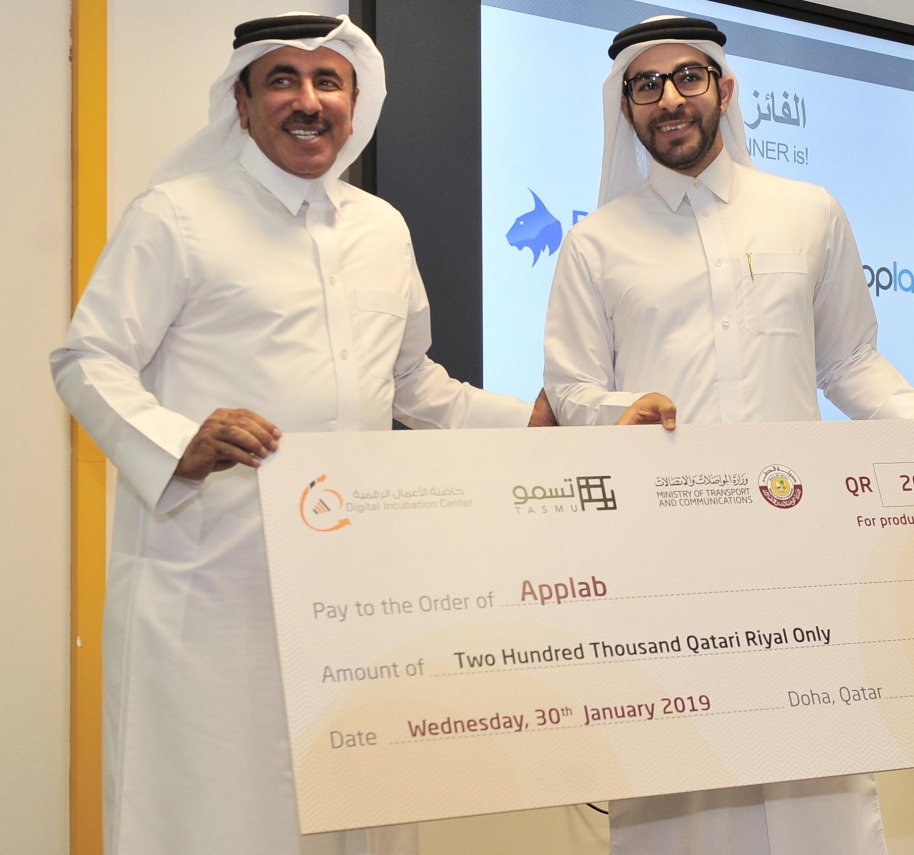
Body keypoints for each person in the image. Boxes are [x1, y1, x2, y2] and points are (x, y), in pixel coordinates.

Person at [52, 13, 552, 855]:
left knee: (356, 808)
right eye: (282, 79)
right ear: (242, 103)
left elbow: (412, 385)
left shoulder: (380, 228)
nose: (308, 100)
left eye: (330, 82)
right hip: (213, 586)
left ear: (357, 104)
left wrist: (540, 420)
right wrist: (180, 439)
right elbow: (85, 357)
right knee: (221, 816)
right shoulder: (176, 214)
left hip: (355, 583)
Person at [542, 15, 914, 855]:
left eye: (688, 78)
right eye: (645, 87)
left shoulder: (808, 212)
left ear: (724, 89)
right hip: (662, 563)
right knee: (674, 793)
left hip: (798, 553)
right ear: (626, 109)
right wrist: (618, 411)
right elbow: (570, 388)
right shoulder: (592, 243)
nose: (670, 100)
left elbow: (853, 363)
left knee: (819, 792)